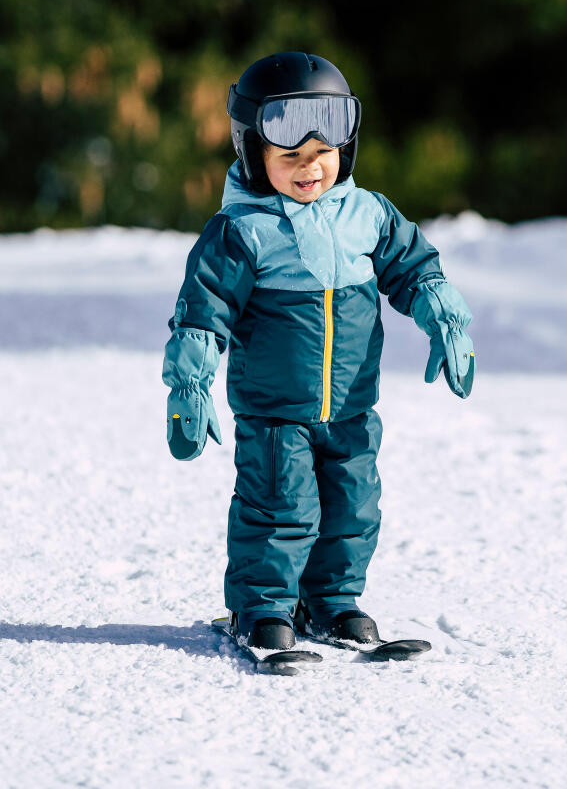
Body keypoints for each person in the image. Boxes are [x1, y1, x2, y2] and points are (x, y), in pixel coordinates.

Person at [163, 51, 475, 651]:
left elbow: (414, 269)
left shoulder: (369, 215)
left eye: (323, 155)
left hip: (353, 407)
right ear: (255, 154)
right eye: (290, 158)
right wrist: (190, 385)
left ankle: (332, 601)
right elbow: (203, 312)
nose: (311, 170)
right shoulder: (243, 232)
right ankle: (262, 609)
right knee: (280, 511)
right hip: (277, 411)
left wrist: (444, 317)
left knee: (353, 511)